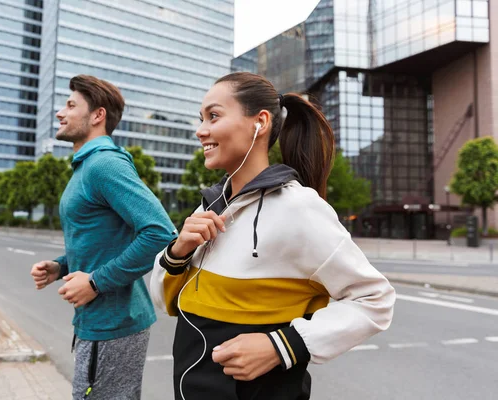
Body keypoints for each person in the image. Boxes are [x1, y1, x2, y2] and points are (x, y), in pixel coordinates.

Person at [150, 72, 396, 400]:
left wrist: (280, 346)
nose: (201, 130)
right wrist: (178, 252)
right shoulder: (209, 207)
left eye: (213, 116)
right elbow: (164, 302)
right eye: (201, 119)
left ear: (260, 122)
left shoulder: (298, 207)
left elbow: (375, 299)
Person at [31, 75, 175, 400]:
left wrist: (95, 282)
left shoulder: (104, 165)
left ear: (98, 116)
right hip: (97, 323)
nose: (60, 112)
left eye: (70, 105)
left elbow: (160, 232)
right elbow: (106, 240)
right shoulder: (86, 167)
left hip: (112, 324)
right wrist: (60, 266)